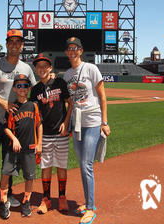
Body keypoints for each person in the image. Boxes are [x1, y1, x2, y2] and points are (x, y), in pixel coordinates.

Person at [0, 29, 36, 219]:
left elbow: (34, 90)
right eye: (11, 41)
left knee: (10, 161)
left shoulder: (26, 68)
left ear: (22, 45)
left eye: (18, 42)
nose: (14, 45)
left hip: (14, 125)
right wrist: (3, 103)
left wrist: (50, 78)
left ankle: (8, 194)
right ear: (6, 44)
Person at [63, 37, 111, 224]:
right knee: (82, 166)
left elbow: (102, 96)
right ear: (67, 52)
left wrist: (104, 122)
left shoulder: (91, 68)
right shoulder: (67, 75)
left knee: (86, 165)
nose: (72, 51)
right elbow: (70, 102)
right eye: (69, 48)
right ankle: (87, 202)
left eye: (75, 48)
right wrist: (67, 122)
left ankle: (90, 208)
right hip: (77, 123)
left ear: (81, 51)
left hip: (92, 121)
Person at [29, 52, 73, 214]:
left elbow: (70, 103)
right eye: (38, 66)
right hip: (45, 134)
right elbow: (35, 115)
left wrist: (66, 123)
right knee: (46, 166)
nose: (41, 69)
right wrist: (38, 140)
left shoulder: (60, 82)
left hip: (60, 133)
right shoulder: (35, 90)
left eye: (44, 66)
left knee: (61, 166)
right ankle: (46, 199)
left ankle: (62, 197)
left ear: (50, 67)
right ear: (35, 69)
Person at [0, 74, 43, 218]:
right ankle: (3, 201)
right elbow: (5, 127)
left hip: (30, 148)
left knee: (29, 177)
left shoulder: (33, 105)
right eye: (19, 86)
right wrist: (14, 139)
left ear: (29, 88)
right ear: (14, 88)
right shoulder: (12, 107)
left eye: (25, 86)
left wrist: (39, 143)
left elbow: (39, 125)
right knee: (5, 173)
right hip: (14, 148)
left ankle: (26, 202)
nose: (22, 88)